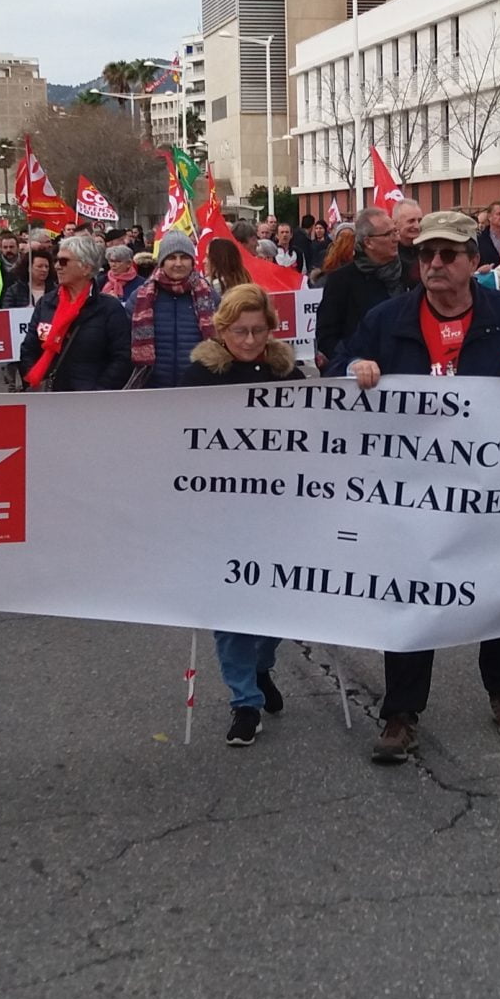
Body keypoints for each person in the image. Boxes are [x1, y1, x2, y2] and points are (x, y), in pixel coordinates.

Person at [332, 211, 500, 761]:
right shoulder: (388, 318)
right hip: (411, 489)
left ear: (474, 261)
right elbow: (336, 361)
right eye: (426, 255)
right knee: (409, 596)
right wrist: (356, 365)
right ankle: (400, 713)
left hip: (491, 487)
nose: (435, 264)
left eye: (448, 254)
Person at [176, 284, 307, 744]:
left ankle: (260, 667)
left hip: (278, 511)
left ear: (271, 330)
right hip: (222, 512)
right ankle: (244, 701)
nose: (250, 341)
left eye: (258, 331)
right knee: (230, 608)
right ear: (222, 330)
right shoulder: (198, 377)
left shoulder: (288, 375)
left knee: (278, 605)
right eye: (240, 331)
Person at [22, 234, 133, 391]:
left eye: (63, 261)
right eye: (56, 260)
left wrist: (99, 390)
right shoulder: (46, 304)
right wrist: (34, 381)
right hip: (49, 397)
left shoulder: (109, 309)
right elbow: (29, 348)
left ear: (86, 267)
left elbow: (122, 358)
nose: (57, 266)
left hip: (91, 402)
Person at [312, 207, 406, 372]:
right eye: (388, 234)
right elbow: (326, 336)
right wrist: (352, 363)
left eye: (395, 231)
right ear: (368, 242)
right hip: (364, 378)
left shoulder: (410, 273)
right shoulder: (341, 280)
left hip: (406, 374)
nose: (396, 238)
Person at [128, 231, 217, 387]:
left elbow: (223, 340)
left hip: (199, 385)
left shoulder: (210, 296)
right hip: (152, 388)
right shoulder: (140, 297)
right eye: (171, 258)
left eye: (184, 257)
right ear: (162, 262)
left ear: (192, 261)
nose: (178, 263)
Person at [2, 245, 53, 311]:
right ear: (29, 268)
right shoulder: (14, 291)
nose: (44, 270)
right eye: (39, 266)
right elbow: (7, 313)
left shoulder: (55, 291)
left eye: (46, 266)